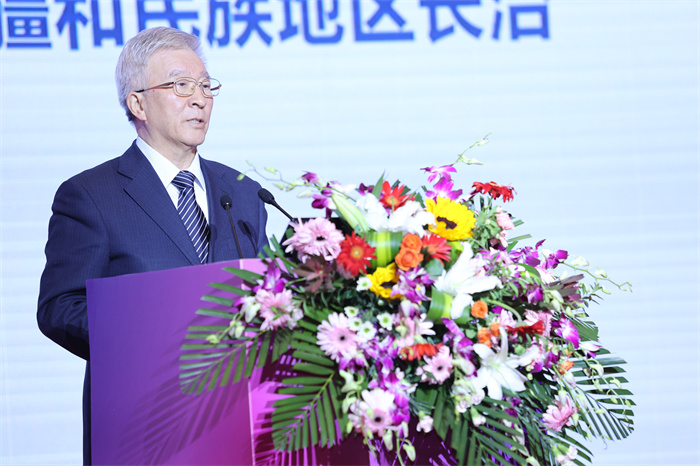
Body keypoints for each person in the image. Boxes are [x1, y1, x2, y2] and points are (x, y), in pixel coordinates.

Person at [37, 27, 268, 464]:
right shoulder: (91, 195)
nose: (199, 99)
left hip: (241, 423)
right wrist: (158, 335)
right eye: (181, 85)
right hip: (142, 429)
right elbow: (59, 308)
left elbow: (268, 296)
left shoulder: (242, 192)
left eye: (206, 86)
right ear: (138, 103)